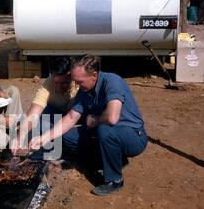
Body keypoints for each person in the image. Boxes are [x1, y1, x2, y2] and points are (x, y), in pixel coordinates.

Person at [28, 54, 148, 196]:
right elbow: (71, 117)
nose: (77, 86)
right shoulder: (84, 90)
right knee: (66, 136)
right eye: (75, 81)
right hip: (105, 132)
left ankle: (115, 180)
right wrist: (45, 137)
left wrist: (95, 120)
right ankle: (110, 159)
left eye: (80, 82)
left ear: (94, 75)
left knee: (105, 129)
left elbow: (112, 118)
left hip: (133, 136)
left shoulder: (112, 82)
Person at [11, 56, 78, 154]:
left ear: (71, 76)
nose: (58, 87)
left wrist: (48, 135)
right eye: (56, 82)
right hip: (54, 114)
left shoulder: (79, 83)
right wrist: (19, 138)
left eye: (63, 83)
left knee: (69, 137)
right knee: (33, 125)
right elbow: (33, 114)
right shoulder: (48, 83)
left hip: (74, 119)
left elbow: (73, 117)